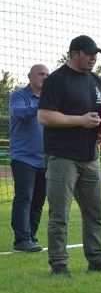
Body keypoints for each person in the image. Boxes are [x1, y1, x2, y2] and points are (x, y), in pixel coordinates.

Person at [38, 35, 101, 276]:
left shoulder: (96, 80)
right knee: (59, 214)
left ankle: (97, 261)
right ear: (74, 53)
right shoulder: (57, 80)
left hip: (90, 157)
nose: (94, 57)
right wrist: (80, 121)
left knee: (95, 213)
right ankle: (59, 265)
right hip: (62, 157)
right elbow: (45, 116)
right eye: (89, 53)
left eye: (96, 54)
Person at [8, 64, 49, 252]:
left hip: (45, 159)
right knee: (24, 198)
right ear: (30, 76)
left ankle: (31, 237)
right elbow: (19, 113)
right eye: (41, 74)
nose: (45, 77)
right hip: (23, 157)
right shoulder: (19, 96)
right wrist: (41, 105)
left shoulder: (49, 100)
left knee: (39, 200)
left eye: (47, 75)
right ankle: (21, 240)